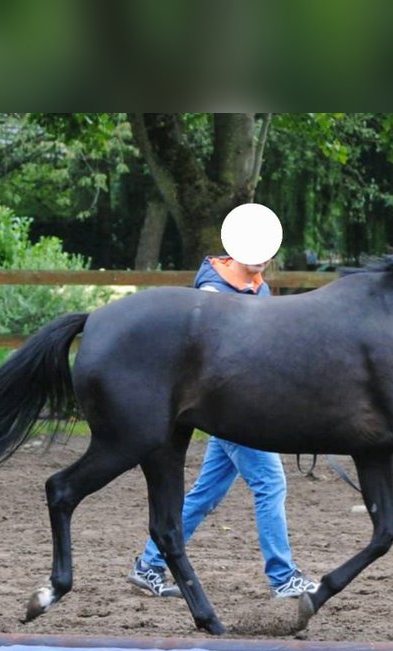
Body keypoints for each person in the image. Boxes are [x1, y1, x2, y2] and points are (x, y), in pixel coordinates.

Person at [128, 203, 319, 601]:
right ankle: (283, 577)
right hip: (231, 408)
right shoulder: (214, 294)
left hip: (245, 408)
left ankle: (149, 565)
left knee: (205, 493)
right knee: (270, 483)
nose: (265, 256)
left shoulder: (258, 287)